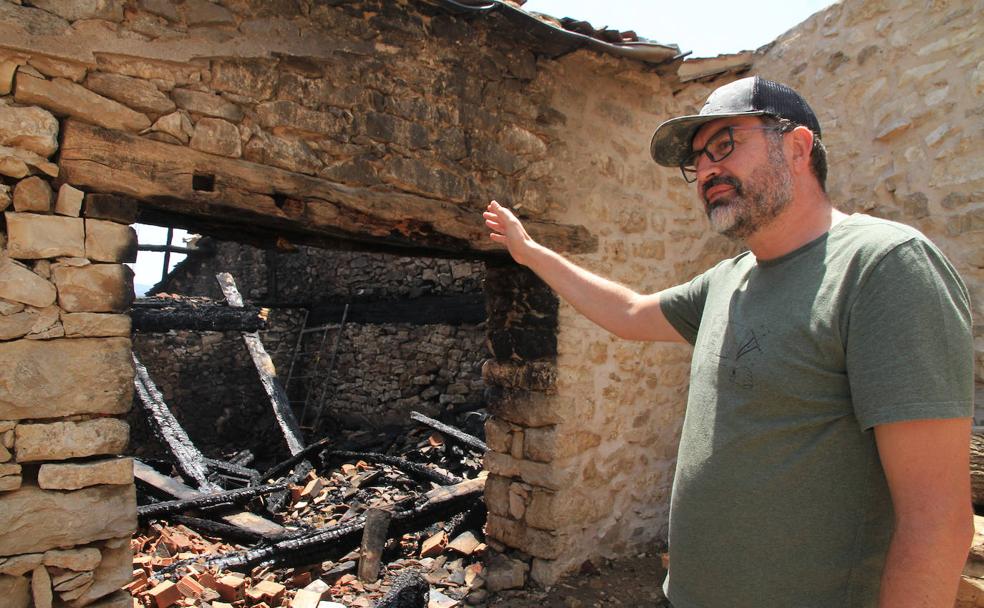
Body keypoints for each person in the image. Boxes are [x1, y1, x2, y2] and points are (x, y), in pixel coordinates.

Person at [483, 76, 974, 608]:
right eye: (697, 160)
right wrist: (529, 252)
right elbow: (626, 313)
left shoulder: (881, 267)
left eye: (725, 145)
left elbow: (937, 522)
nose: (707, 171)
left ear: (797, 146)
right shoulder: (728, 279)